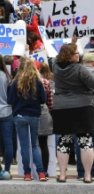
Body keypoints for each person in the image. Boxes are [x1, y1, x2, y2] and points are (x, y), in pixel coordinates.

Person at [52, 43, 94, 183]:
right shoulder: (80, 69)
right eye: (76, 53)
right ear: (70, 55)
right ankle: (87, 176)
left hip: (62, 108)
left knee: (63, 141)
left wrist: (72, 42)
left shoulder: (55, 68)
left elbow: (55, 58)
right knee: (85, 142)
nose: (79, 55)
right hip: (82, 107)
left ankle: (62, 175)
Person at [7, 57, 47, 182]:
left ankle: (27, 174)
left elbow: (9, 100)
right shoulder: (38, 82)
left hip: (19, 116)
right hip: (34, 115)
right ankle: (41, 173)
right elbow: (44, 99)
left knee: (24, 146)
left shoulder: (15, 82)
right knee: (35, 145)